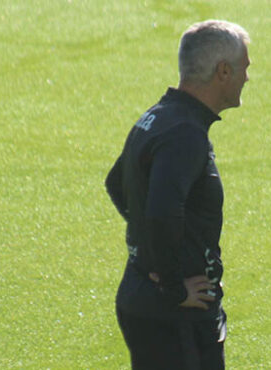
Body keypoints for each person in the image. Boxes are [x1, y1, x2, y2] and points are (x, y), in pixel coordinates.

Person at [105, 20, 250, 369]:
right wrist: (173, 285)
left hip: (142, 297)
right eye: (245, 67)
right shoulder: (186, 134)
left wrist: (154, 248)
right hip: (176, 317)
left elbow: (115, 182)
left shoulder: (160, 116)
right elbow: (161, 211)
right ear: (223, 72)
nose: (248, 77)